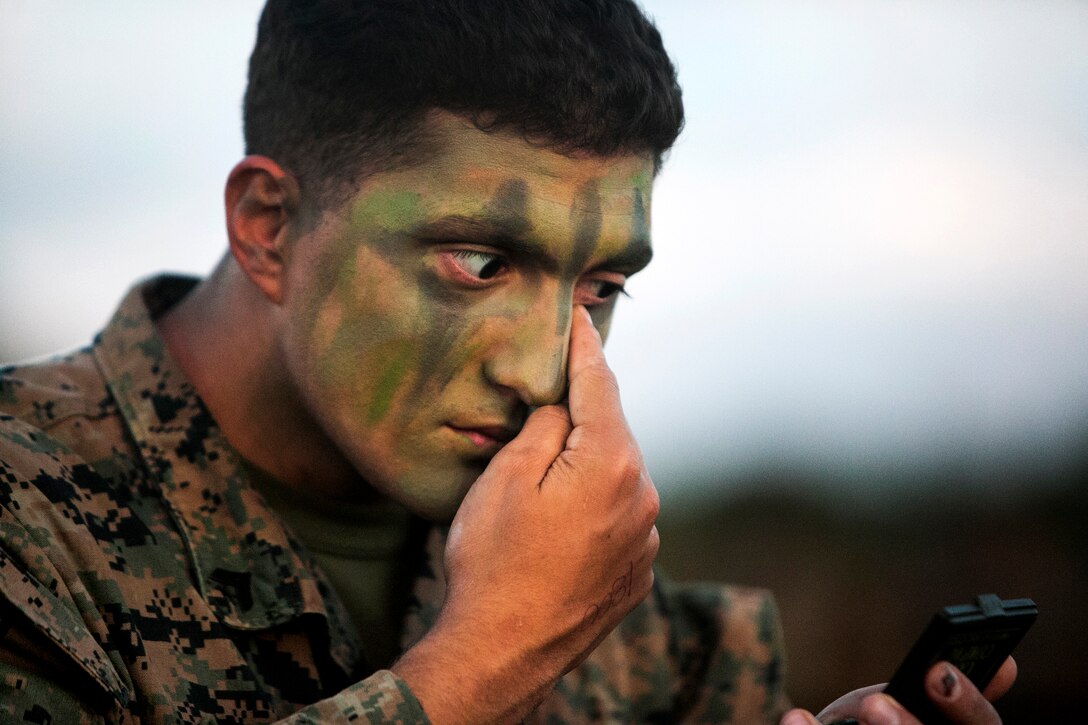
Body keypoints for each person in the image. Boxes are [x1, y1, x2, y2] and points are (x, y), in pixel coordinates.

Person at [0, 1, 1016, 723]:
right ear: (269, 225)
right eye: (480, 262)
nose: (543, 372)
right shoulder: (30, 531)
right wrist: (488, 660)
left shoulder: (637, 628)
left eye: (597, 287)